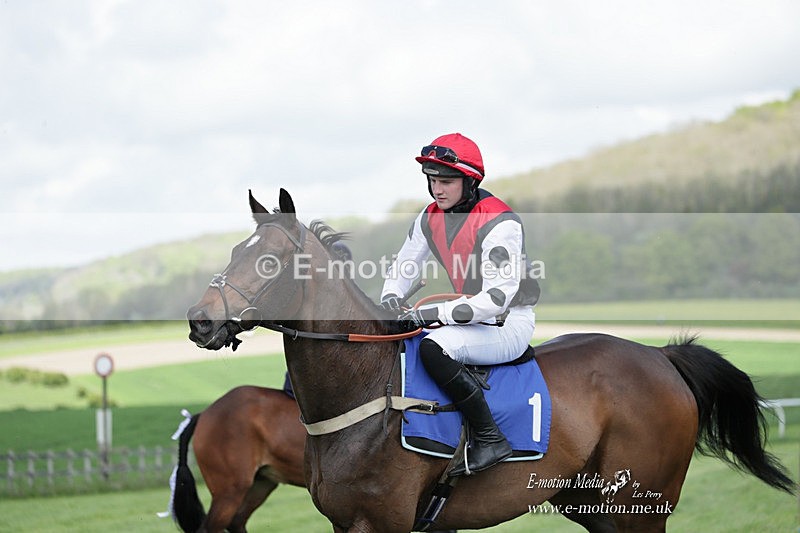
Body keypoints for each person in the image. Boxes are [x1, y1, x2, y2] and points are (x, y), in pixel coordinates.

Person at [381, 133, 539, 476]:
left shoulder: (501, 222)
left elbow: (495, 300)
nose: (438, 189)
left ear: (469, 182)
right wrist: (391, 297)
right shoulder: (430, 216)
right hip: (471, 319)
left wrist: (429, 314)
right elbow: (404, 267)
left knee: (434, 347)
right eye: (433, 181)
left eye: (447, 182)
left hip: (506, 323)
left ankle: (489, 438)